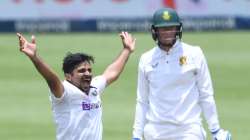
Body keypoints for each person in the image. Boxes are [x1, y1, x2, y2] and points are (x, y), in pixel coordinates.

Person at [132, 8, 231, 140]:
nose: (167, 32)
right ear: (155, 31)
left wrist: (216, 130)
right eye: (163, 29)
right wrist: (136, 135)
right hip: (155, 130)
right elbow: (142, 101)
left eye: (171, 28)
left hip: (189, 129)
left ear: (178, 29)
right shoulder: (146, 59)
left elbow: (206, 94)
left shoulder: (194, 53)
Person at [16, 31, 135, 140]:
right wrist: (34, 58)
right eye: (81, 71)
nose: (87, 73)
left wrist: (127, 50)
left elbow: (111, 73)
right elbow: (51, 79)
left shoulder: (94, 87)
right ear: (68, 76)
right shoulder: (64, 93)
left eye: (89, 70)